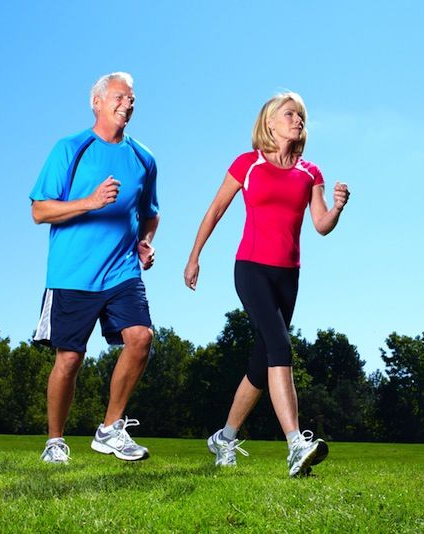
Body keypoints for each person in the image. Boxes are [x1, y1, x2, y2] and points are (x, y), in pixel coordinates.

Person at [184, 91, 350, 477]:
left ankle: (224, 437)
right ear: (270, 122)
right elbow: (216, 209)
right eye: (290, 113)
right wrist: (194, 256)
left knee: (262, 365)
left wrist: (338, 207)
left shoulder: (311, 173)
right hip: (251, 269)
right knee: (280, 346)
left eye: (302, 115)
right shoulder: (248, 164)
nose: (298, 120)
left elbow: (321, 225)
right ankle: (296, 444)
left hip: (288, 275)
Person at [30, 72, 160, 464]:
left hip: (122, 271)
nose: (127, 104)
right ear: (97, 102)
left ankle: (110, 428)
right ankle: (55, 442)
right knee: (69, 359)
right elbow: (40, 211)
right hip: (72, 274)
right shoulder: (70, 148)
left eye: (132, 99)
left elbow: (150, 215)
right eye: (120, 97)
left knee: (141, 338)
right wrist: (89, 201)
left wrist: (145, 244)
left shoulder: (143, 158)